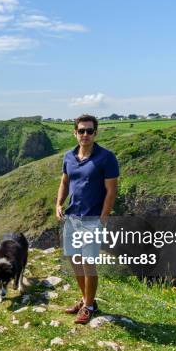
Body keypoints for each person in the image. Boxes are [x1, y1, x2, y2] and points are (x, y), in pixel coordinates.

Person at [56, 114, 119, 324]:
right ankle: (85, 300)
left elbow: (111, 191)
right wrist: (58, 204)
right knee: (75, 260)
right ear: (75, 133)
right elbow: (64, 182)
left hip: (93, 218)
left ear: (95, 133)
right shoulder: (68, 157)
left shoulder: (106, 157)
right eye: (81, 131)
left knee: (88, 263)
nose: (85, 135)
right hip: (72, 217)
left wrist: (104, 217)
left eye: (89, 131)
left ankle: (90, 306)